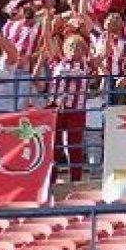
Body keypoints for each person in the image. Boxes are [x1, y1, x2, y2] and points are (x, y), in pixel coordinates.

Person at [40, 33, 94, 182]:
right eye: (71, 46)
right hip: (56, 108)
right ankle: (51, 179)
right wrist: (47, 20)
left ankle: (76, 179)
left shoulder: (87, 64)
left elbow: (104, 56)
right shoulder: (57, 62)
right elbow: (47, 40)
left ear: (84, 50)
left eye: (78, 47)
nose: (74, 49)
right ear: (65, 48)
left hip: (76, 108)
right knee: (54, 145)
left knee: (74, 145)